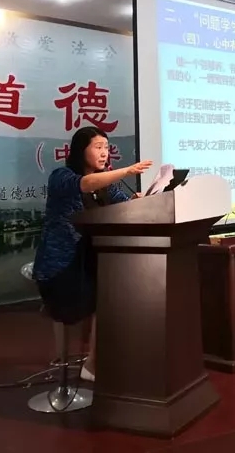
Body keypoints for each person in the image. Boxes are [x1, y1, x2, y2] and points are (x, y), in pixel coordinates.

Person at [33, 126, 152, 381]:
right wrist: (127, 171)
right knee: (110, 295)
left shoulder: (107, 185)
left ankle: (104, 359)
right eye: (98, 147)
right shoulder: (62, 176)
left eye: (107, 148)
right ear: (80, 150)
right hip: (61, 268)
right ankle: (94, 365)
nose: (104, 153)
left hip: (90, 262)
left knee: (119, 290)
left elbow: (126, 205)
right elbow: (85, 185)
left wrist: (144, 200)